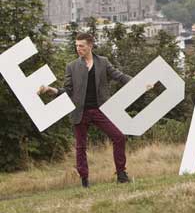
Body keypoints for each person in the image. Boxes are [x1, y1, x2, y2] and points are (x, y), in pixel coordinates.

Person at [38, 33, 148, 188]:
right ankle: (84, 181)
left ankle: (121, 175)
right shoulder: (72, 66)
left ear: (90, 45)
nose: (78, 48)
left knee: (119, 137)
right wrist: (51, 89)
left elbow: (119, 76)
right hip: (80, 112)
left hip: (100, 110)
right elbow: (68, 91)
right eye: (76, 46)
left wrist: (139, 83)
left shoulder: (103, 62)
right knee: (81, 147)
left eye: (81, 45)